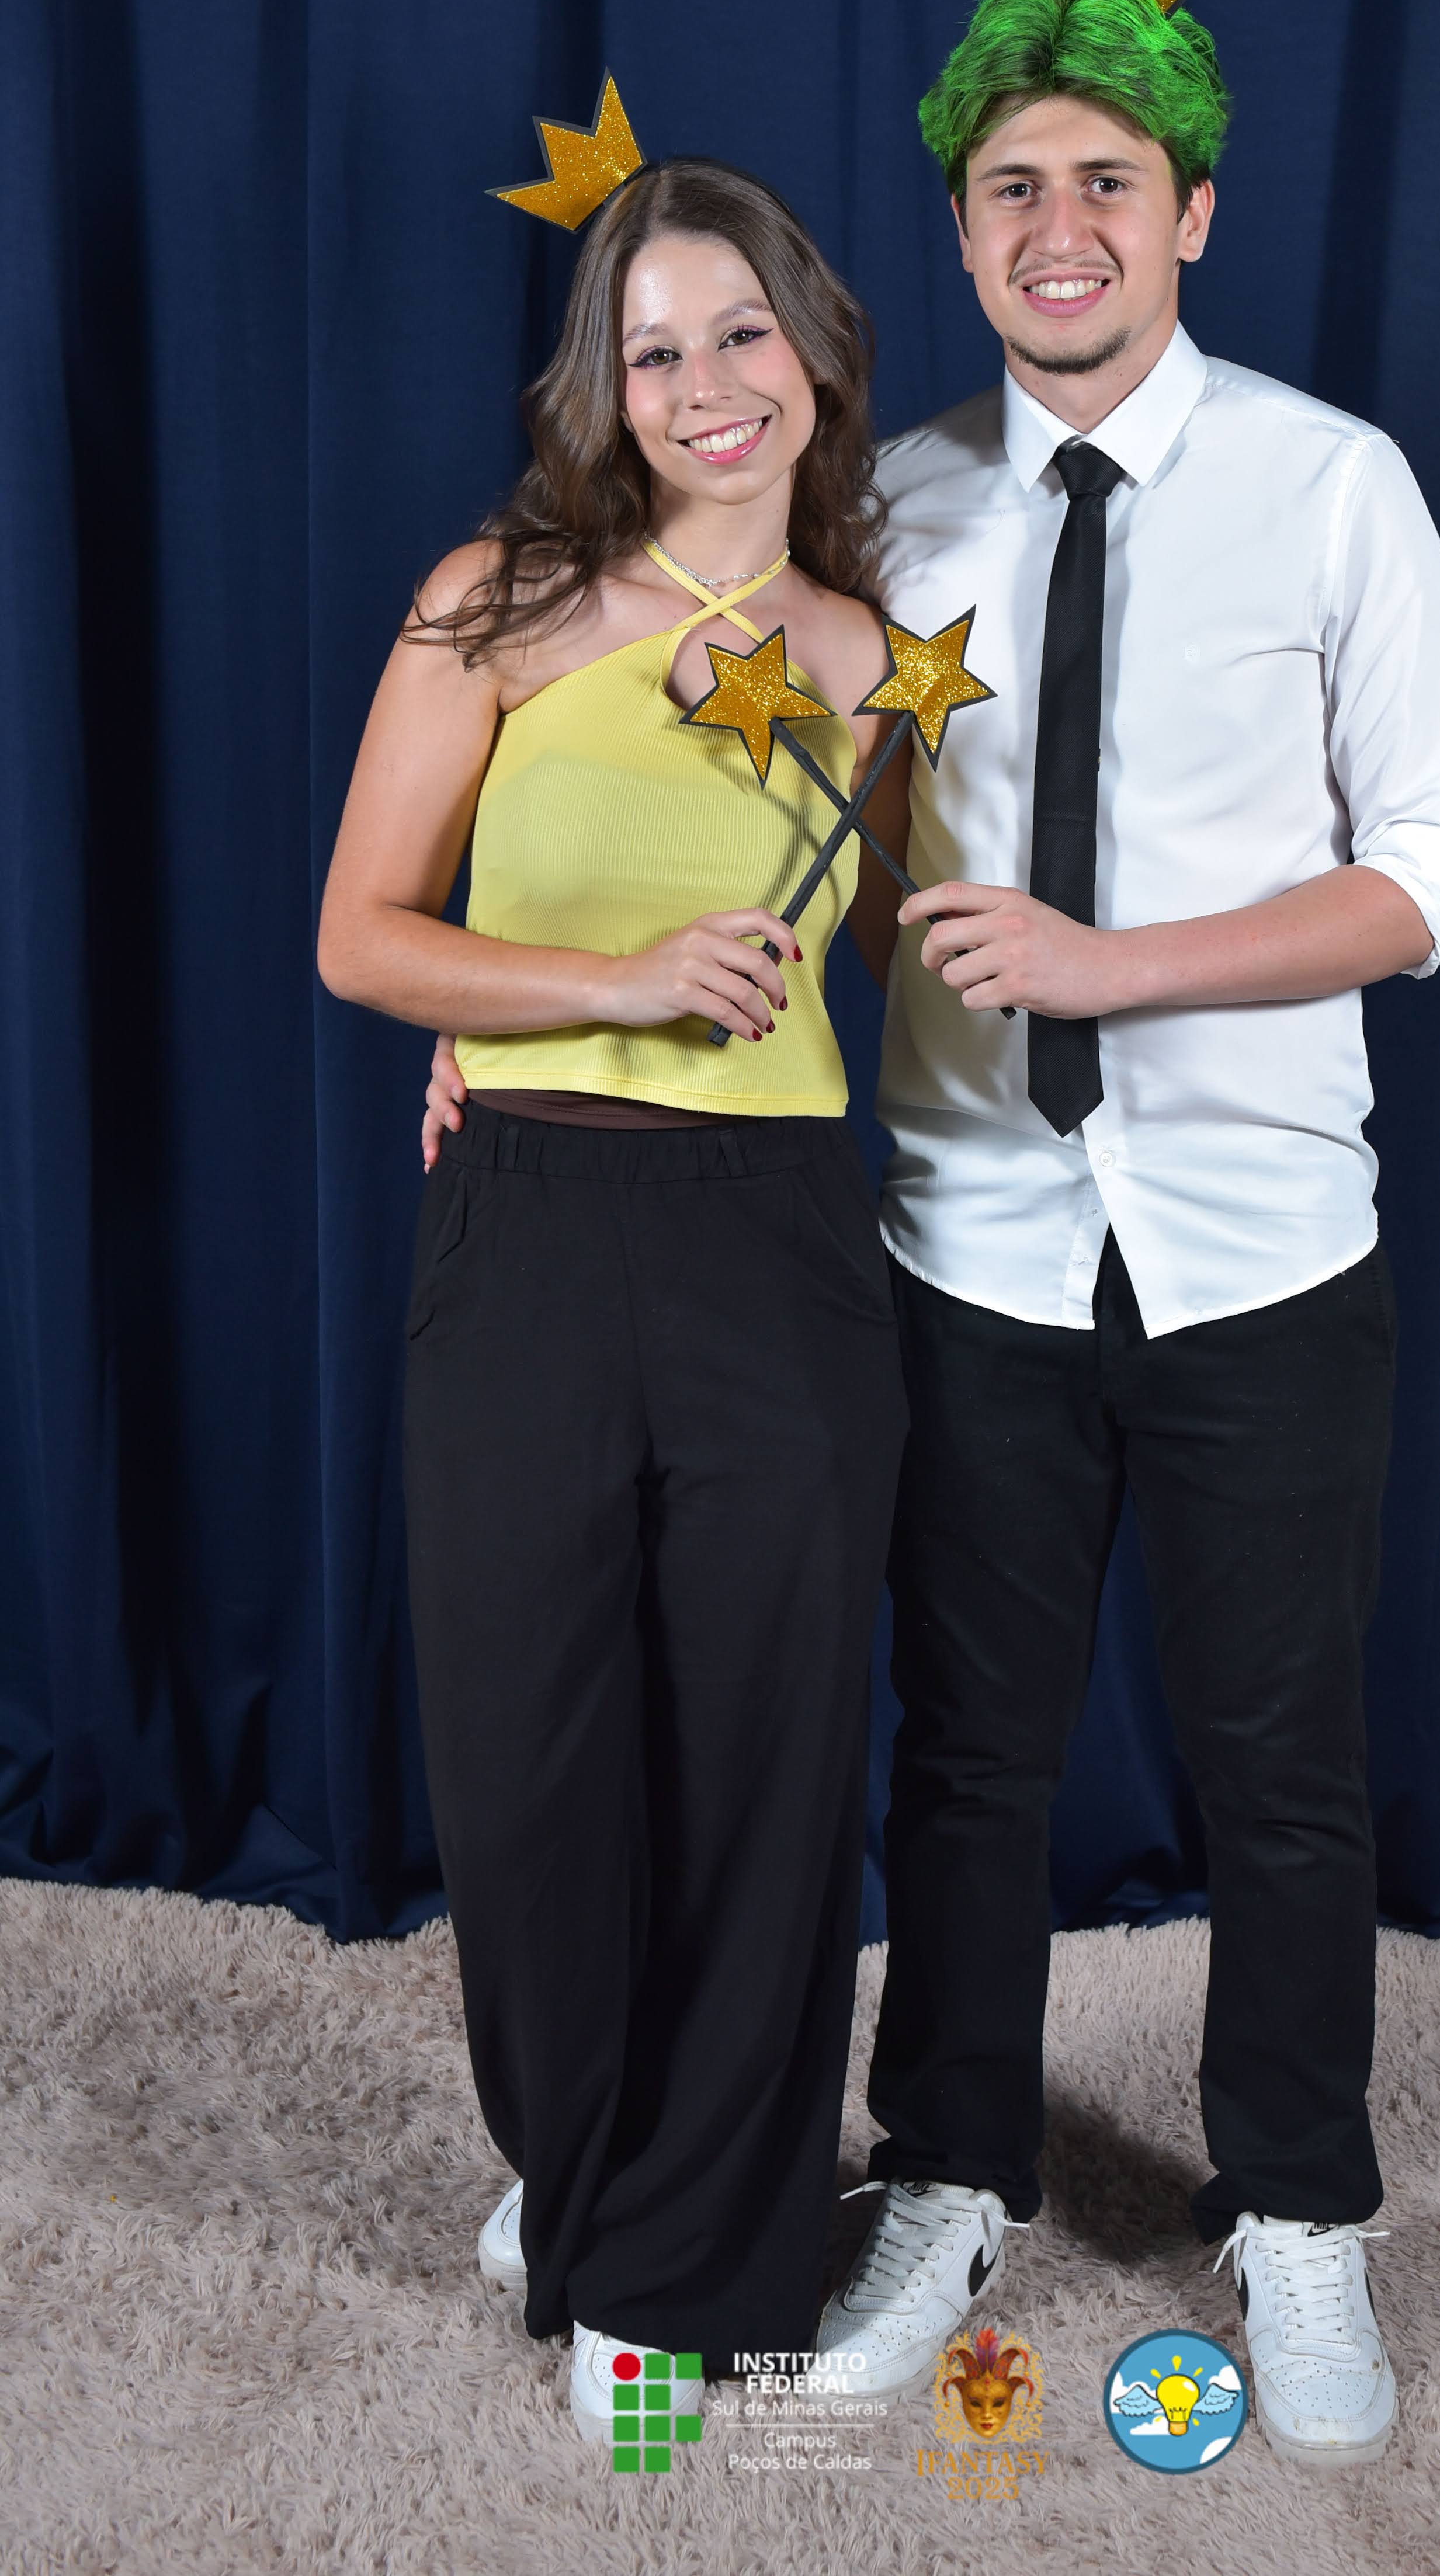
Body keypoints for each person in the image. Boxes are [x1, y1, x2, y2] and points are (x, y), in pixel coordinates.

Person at [428, 0, 1440, 2466]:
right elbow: (751, 845)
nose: (1061, 226)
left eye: (1107, 183)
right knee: (964, 1759)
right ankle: (939, 2169)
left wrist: (1117, 965)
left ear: (1192, 212)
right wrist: (522, 1025)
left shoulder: (1334, 486)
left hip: (1262, 1240)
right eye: (1012, 186)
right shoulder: (871, 514)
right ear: (956, 230)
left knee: (1280, 1763)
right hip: (958, 1237)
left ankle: (1300, 2205)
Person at [318, 153, 908, 2445]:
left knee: (764, 1780)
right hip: (534, 1230)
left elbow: (910, 952)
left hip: (780, 1245)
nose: (704, 382)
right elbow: (365, 937)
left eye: (740, 331)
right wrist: (596, 987)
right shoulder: (499, 599)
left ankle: (677, 2274)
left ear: (814, 350)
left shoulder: (874, 659)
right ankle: (582, 2174)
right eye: (655, 349)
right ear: (608, 386)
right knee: (537, 1767)